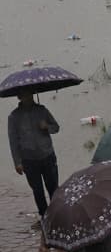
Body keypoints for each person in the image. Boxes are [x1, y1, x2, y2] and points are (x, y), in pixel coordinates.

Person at [8, 92, 60, 220]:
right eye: (25, 95)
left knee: (54, 188)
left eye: (30, 94)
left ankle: (57, 214)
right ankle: (44, 216)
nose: (28, 97)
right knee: (37, 191)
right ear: (19, 97)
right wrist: (17, 162)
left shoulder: (42, 110)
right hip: (29, 160)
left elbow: (56, 127)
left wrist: (46, 126)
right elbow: (13, 141)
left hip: (47, 155)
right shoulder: (14, 117)